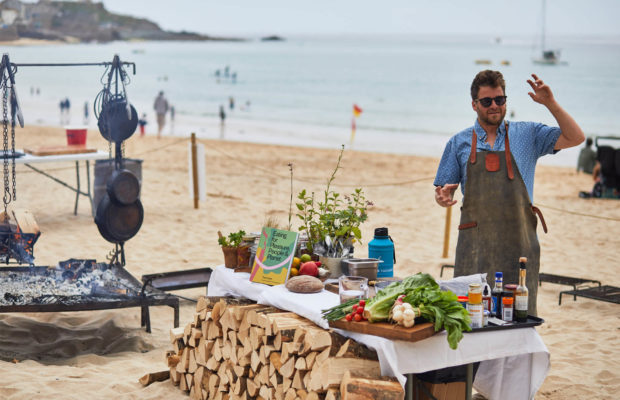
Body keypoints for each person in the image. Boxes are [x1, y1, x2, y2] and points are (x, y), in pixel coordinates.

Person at [434, 70, 584, 316]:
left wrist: (550, 103)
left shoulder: (528, 134)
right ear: (474, 104)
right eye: (487, 101)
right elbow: (442, 193)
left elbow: (576, 137)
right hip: (474, 247)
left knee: (519, 318)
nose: (494, 106)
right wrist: (442, 198)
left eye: (500, 100)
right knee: (470, 318)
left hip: (519, 247)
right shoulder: (458, 143)